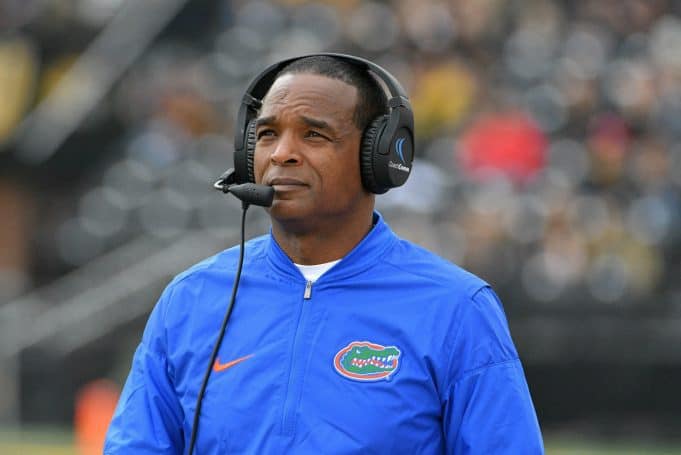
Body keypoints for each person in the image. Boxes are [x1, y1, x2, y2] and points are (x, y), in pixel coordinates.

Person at [104, 54, 543, 454]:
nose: (281, 154)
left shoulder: (457, 309)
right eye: (267, 134)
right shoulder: (190, 299)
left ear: (381, 157)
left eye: (314, 134)